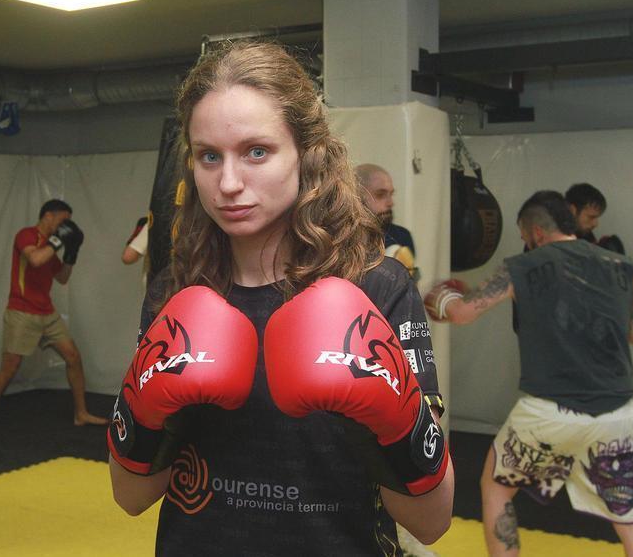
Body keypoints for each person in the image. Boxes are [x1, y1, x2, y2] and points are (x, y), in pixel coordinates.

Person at [107, 42, 454, 555]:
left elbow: (433, 520)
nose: (228, 183)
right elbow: (131, 495)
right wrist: (143, 409)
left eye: (256, 152)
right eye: (209, 156)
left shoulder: (377, 286)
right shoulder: (176, 292)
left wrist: (395, 415)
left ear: (307, 154)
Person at [424, 191, 633, 557]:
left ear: (535, 231)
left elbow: (462, 314)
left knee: (497, 488)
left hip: (548, 415)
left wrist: (440, 296)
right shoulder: (620, 263)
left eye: (522, 234)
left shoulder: (522, 266)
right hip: (616, 415)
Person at [0, 199, 108, 434]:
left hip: (47, 312)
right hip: (21, 311)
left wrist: (71, 254)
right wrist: (58, 241)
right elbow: (35, 259)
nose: (66, 225)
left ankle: (81, 414)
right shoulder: (26, 235)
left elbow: (63, 278)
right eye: (63, 220)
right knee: (9, 368)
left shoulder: (49, 246)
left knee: (73, 357)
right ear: (48, 215)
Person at [357, 163, 420, 280]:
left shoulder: (402, 236)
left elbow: (409, 290)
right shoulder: (342, 239)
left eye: (391, 194)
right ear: (356, 196)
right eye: (380, 195)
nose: (391, 203)